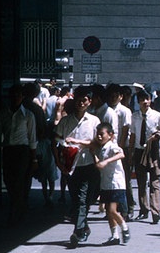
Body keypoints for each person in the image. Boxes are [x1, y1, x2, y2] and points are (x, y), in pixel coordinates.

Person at [54, 89, 101, 245]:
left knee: (84, 199)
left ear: (89, 102)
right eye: (79, 100)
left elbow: (98, 142)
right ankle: (83, 228)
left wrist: (79, 142)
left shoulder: (94, 121)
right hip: (70, 167)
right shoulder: (65, 122)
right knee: (76, 199)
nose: (81, 103)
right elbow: (55, 142)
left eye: (84, 100)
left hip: (88, 165)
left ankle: (77, 232)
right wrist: (58, 162)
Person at [0, 83, 38, 226]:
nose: (16, 98)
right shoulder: (3, 113)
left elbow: (32, 137)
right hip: (8, 150)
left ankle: (15, 211)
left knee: (19, 181)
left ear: (23, 97)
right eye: (14, 95)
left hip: (22, 151)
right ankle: (20, 205)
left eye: (19, 95)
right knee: (8, 180)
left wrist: (34, 158)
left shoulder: (28, 115)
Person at [130, 90, 160, 224]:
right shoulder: (134, 117)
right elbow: (133, 136)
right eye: (142, 100)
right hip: (139, 151)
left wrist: (157, 135)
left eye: (147, 99)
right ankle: (143, 209)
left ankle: (155, 211)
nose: (145, 102)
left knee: (154, 182)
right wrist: (130, 154)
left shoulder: (157, 116)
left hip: (153, 151)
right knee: (141, 183)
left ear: (151, 100)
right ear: (138, 102)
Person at [94, 123, 129, 245]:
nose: (99, 137)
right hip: (106, 184)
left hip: (115, 183)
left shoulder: (112, 146)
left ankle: (124, 228)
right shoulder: (101, 148)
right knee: (108, 212)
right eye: (97, 134)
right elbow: (99, 165)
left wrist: (107, 162)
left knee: (112, 210)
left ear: (110, 135)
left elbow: (121, 154)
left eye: (101, 134)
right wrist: (93, 154)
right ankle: (114, 236)